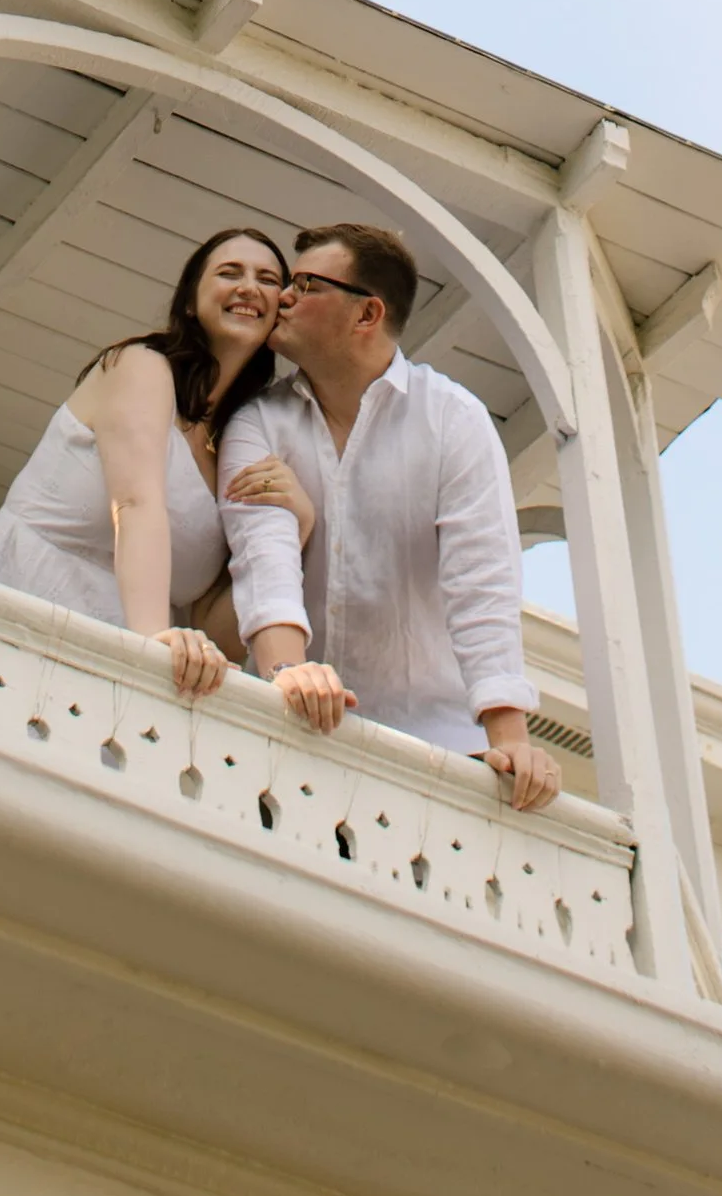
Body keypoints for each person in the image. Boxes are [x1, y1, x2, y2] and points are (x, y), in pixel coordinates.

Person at [217, 221, 561, 811]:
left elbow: (481, 585)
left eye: (305, 284)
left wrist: (511, 741)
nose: (284, 297)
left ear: (367, 314)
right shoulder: (257, 422)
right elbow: (262, 554)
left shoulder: (454, 419)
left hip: (437, 757)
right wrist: (288, 674)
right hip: (291, 742)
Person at [0, 227, 308, 693]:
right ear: (190, 301)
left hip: (110, 679)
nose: (249, 287)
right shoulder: (142, 365)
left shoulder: (238, 441)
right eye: (230, 273)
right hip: (20, 608)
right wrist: (149, 645)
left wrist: (298, 529)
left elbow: (215, 630)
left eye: (268, 279)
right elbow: (135, 504)